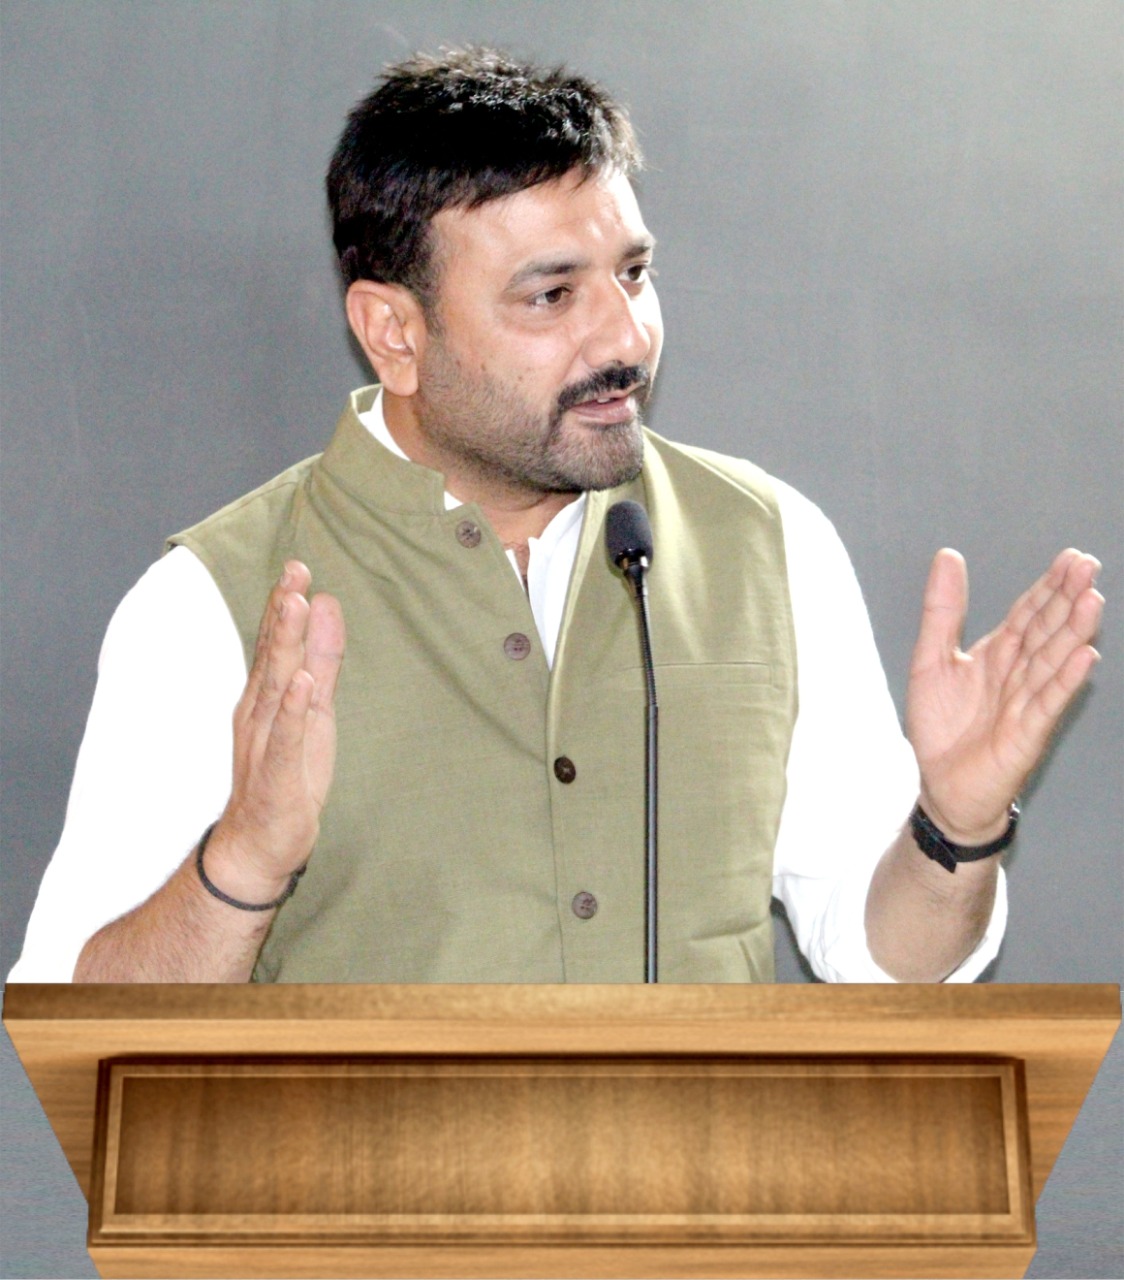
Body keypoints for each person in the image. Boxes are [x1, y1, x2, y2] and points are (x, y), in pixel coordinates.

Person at [9, 49, 1102, 986]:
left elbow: (885, 966)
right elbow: (81, 1026)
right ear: (393, 333)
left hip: (704, 1183)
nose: (624, 337)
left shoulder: (771, 546)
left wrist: (954, 828)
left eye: (635, 273)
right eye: (551, 294)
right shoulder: (208, 605)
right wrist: (242, 862)